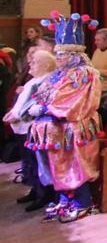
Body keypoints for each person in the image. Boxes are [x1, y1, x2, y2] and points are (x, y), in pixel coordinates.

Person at [27, 12, 103, 222]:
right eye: (57, 54)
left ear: (74, 54)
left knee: (75, 166)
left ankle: (83, 202)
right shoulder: (58, 74)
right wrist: (40, 104)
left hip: (75, 126)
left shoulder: (85, 73)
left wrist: (45, 109)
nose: (58, 58)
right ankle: (64, 199)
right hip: (56, 128)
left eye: (62, 54)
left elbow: (74, 101)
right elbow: (43, 93)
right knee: (56, 165)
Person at [4, 50, 57, 212]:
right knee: (29, 162)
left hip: (32, 128)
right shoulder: (33, 80)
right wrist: (12, 112)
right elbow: (22, 102)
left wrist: (16, 115)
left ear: (46, 65)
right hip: (22, 127)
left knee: (37, 162)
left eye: (35, 62)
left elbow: (33, 106)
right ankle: (35, 190)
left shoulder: (46, 82)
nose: (30, 64)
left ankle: (44, 194)